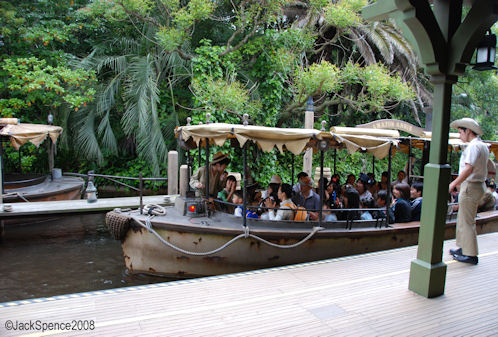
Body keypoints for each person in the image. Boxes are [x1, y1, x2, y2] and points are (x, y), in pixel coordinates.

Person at [448, 118, 489, 265]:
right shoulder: (482, 145)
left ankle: (470, 254)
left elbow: (468, 168)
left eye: (461, 132)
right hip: (476, 185)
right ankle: (463, 247)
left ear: (468, 131)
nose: (460, 135)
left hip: (471, 186)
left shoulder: (473, 146)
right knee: (463, 218)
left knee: (467, 221)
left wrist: (453, 183)